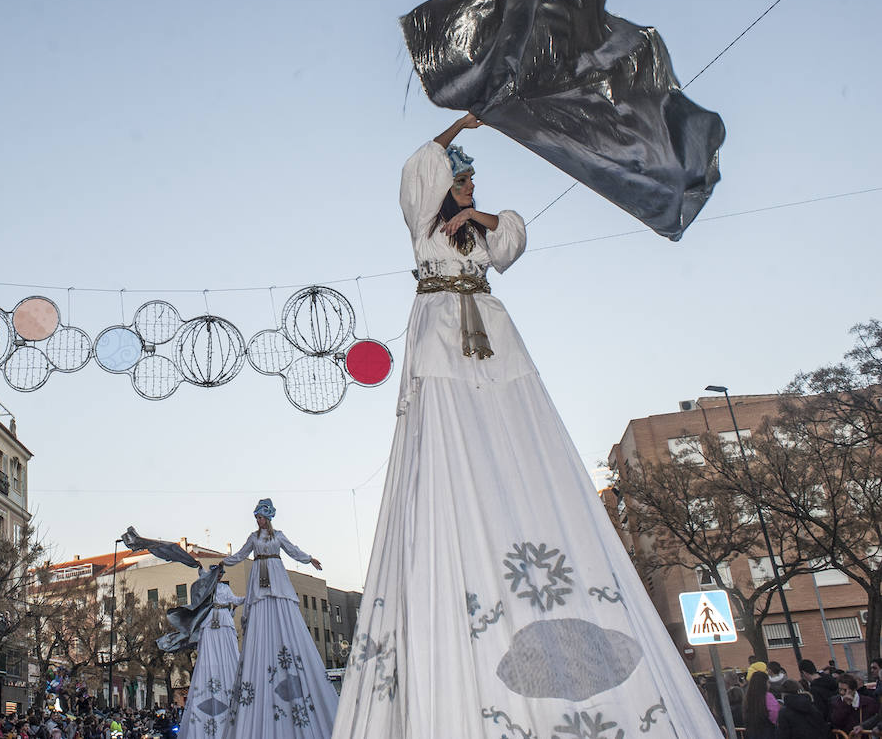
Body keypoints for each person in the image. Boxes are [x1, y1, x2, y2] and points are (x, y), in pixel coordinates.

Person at [330, 114, 725, 739]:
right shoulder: (422, 229)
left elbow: (513, 236)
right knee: (445, 412)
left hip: (490, 325)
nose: (465, 189)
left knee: (515, 400)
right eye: (458, 183)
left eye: (468, 184)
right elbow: (416, 168)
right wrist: (459, 125)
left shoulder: (480, 236)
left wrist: (476, 219)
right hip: (439, 325)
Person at [221, 498, 337, 739]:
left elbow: (292, 549)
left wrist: (309, 558)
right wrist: (223, 562)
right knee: (261, 605)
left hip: (275, 573)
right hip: (259, 575)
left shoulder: (278, 536)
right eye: (256, 517)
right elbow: (241, 555)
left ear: (268, 518)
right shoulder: (253, 538)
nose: (257, 520)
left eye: (260, 517)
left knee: (280, 602)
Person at [179, 565, 243, 739]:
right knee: (208, 654)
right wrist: (200, 569)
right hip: (210, 620)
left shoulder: (225, 588)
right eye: (218, 574)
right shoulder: (206, 586)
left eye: (221, 574)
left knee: (228, 652)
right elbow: (201, 579)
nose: (220, 577)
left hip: (223, 619)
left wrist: (248, 598)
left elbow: (235, 600)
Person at [743, 666, 779, 739]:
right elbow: (774, 714)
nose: (769, 684)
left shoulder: (748, 697)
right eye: (768, 682)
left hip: (751, 732)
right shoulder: (768, 696)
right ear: (764, 683)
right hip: (768, 732)